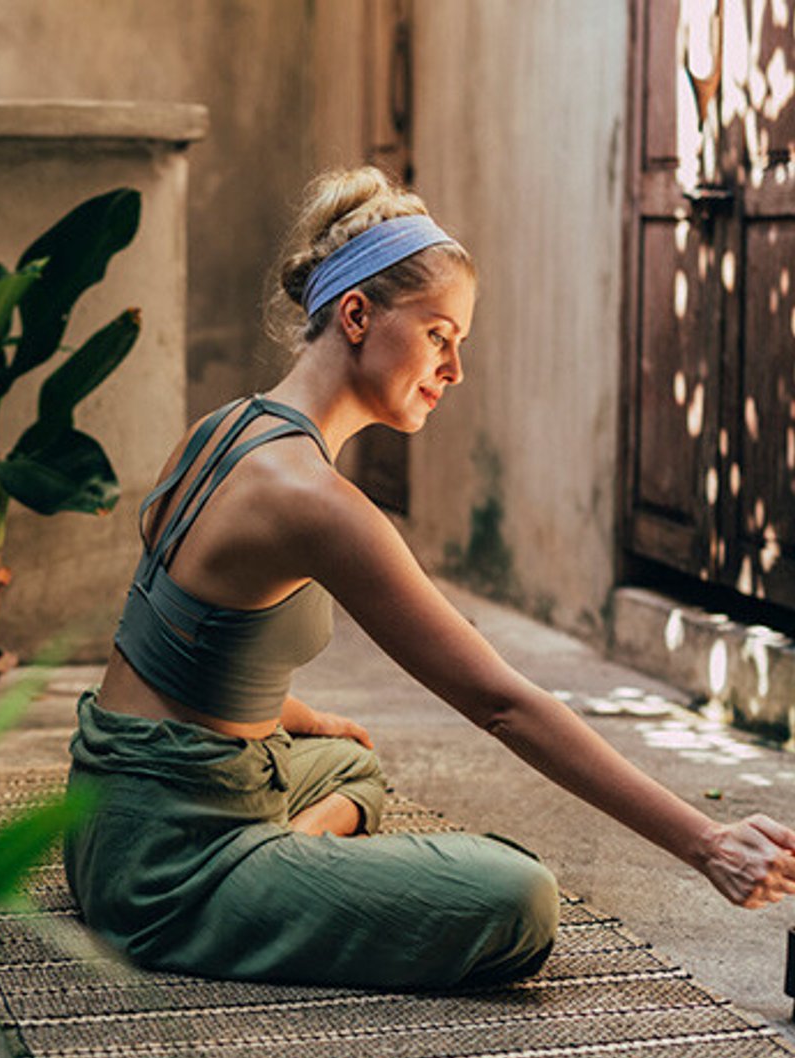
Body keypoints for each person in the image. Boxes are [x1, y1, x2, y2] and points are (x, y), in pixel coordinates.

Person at [63, 165, 795, 991]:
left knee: (351, 765)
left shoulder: (222, 429)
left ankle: (281, 863)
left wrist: (304, 717)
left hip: (102, 809)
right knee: (518, 900)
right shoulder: (317, 502)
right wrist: (706, 843)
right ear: (356, 316)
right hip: (164, 870)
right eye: (440, 335)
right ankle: (256, 876)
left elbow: (171, 640)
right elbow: (503, 704)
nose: (453, 370)